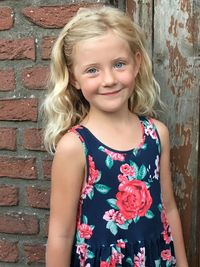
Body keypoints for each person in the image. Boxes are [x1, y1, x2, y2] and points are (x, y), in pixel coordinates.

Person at [43, 6, 188, 267]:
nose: (109, 79)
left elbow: (169, 207)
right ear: (74, 78)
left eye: (119, 64)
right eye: (92, 70)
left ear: (137, 62)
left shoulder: (157, 134)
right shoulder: (75, 147)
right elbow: (60, 235)